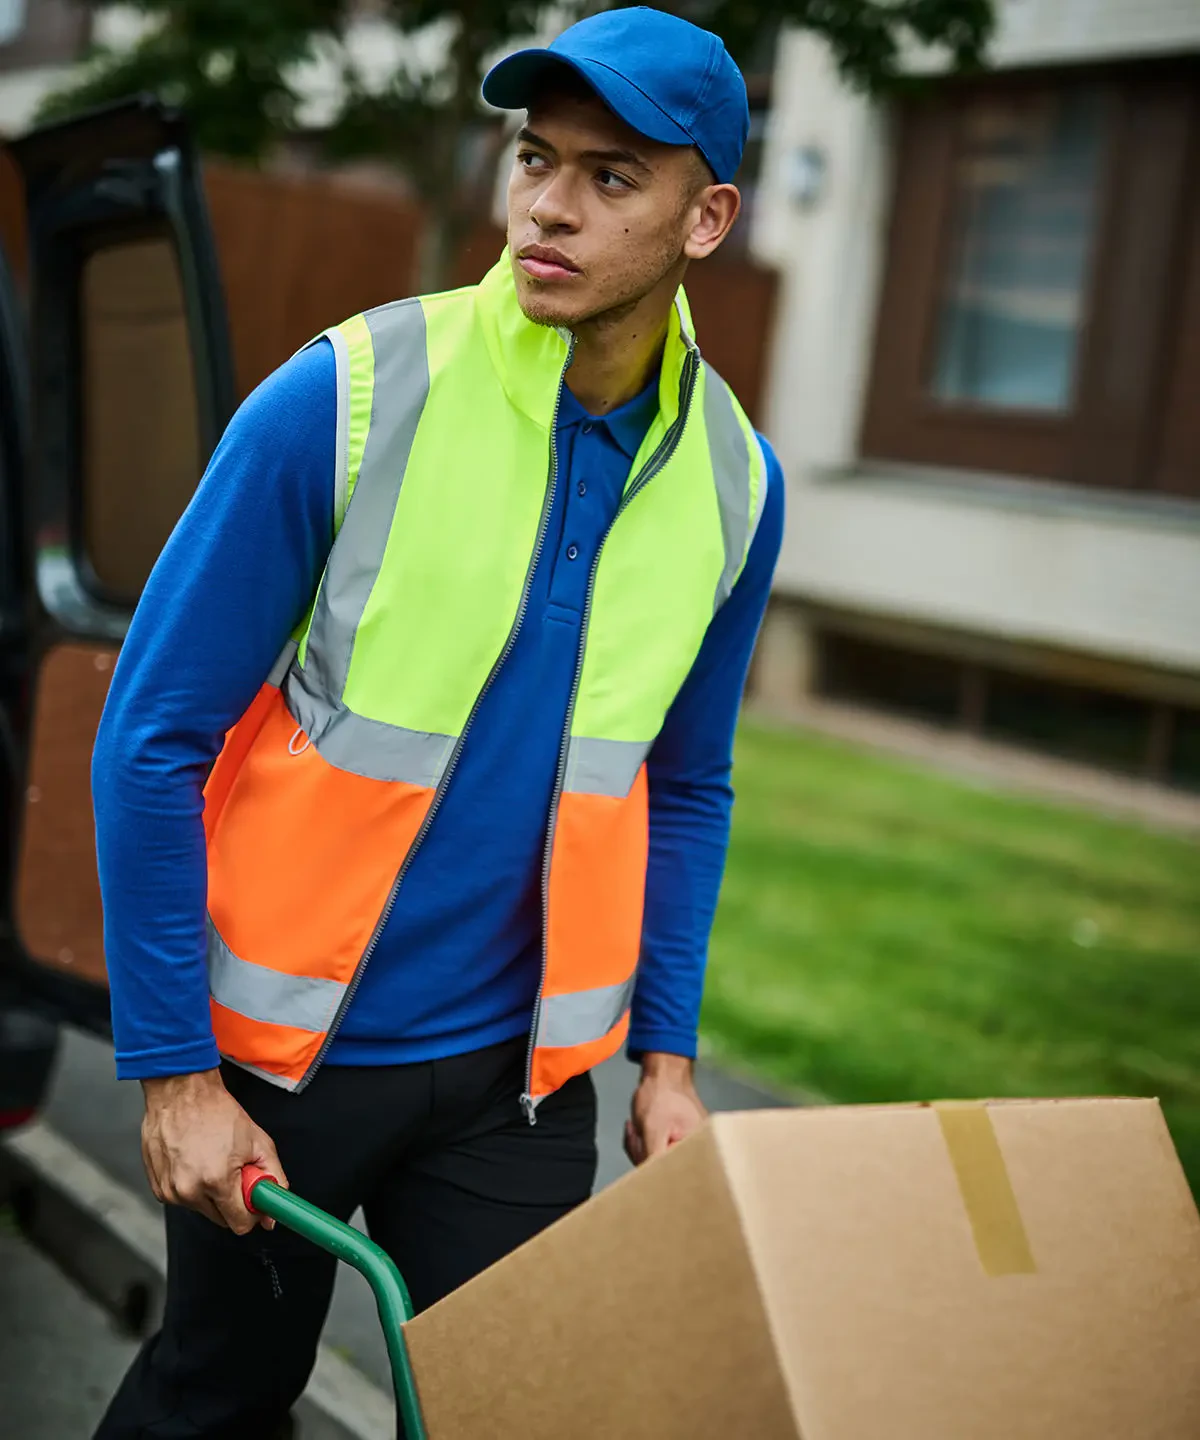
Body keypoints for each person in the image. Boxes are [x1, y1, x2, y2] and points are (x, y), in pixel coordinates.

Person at [91, 6, 784, 1435]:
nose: (545, 203)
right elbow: (147, 736)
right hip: (286, 1068)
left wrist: (666, 1060)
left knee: (505, 1414)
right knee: (216, 1399)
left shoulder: (735, 481)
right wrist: (173, 1078)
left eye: (611, 176)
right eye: (535, 157)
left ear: (706, 218)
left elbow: (690, 783)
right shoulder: (346, 397)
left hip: (517, 1088)